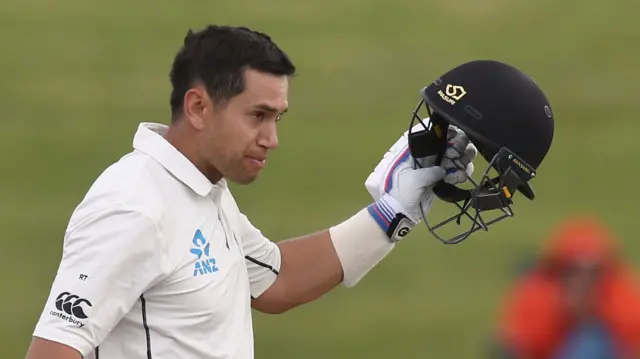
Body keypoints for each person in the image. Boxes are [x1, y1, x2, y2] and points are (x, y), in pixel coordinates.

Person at [25, 25, 478, 359]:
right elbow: (53, 350)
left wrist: (399, 208)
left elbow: (274, 280)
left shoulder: (201, 189)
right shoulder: (134, 208)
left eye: (277, 118)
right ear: (199, 107)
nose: (271, 138)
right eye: (257, 116)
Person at [493, 215, 640, 359]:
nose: (583, 280)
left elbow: (631, 336)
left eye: (591, 273)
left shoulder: (616, 291)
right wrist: (561, 312)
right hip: (552, 349)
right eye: (574, 270)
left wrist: (590, 313)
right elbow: (524, 342)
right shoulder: (540, 291)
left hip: (598, 341)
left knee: (593, 339)